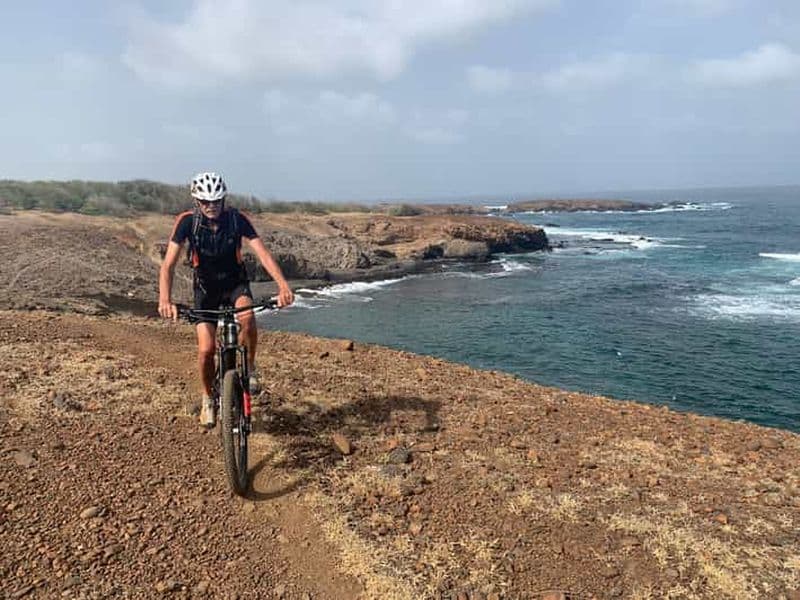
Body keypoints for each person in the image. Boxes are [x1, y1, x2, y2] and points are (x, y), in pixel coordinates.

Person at [158, 172, 294, 427]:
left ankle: (249, 368)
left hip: (235, 284)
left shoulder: (237, 219)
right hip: (206, 291)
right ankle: (208, 398)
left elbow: (263, 254)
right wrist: (165, 300)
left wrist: (283, 286)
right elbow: (168, 265)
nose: (211, 206)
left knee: (248, 318)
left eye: (216, 201)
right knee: (206, 350)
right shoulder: (187, 222)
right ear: (197, 201)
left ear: (223, 199)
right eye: (205, 202)